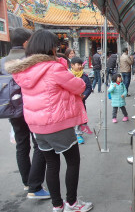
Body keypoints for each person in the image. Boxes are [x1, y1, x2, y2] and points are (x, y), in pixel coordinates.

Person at [5, 29, 93, 212]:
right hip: (57, 123)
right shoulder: (53, 68)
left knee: (51, 164)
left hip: (37, 126)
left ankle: (57, 205)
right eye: (55, 45)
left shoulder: (24, 69)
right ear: (50, 48)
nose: (57, 48)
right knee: (73, 161)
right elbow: (79, 86)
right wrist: (60, 63)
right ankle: (72, 203)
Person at [1, 27, 50, 199]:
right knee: (40, 145)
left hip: (11, 109)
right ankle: (35, 186)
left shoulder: (3, 61)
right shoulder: (29, 60)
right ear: (25, 42)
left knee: (22, 145)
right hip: (30, 108)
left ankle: (27, 182)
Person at [70, 57, 93, 144]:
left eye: (81, 65)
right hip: (70, 102)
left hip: (81, 101)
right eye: (78, 65)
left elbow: (89, 88)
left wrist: (84, 95)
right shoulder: (68, 75)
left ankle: (79, 134)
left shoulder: (84, 76)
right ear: (72, 65)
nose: (80, 66)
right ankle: (73, 133)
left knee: (80, 118)